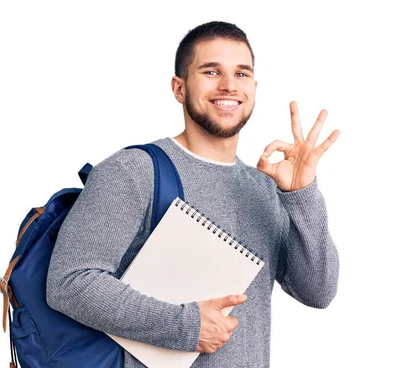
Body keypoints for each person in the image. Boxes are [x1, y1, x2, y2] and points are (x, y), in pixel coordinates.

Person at [46, 20, 340, 368]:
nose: (229, 85)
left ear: (255, 88)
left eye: (242, 74)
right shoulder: (133, 171)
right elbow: (69, 283)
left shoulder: (264, 187)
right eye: (211, 71)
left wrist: (302, 194)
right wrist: (187, 325)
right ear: (179, 87)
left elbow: (318, 292)